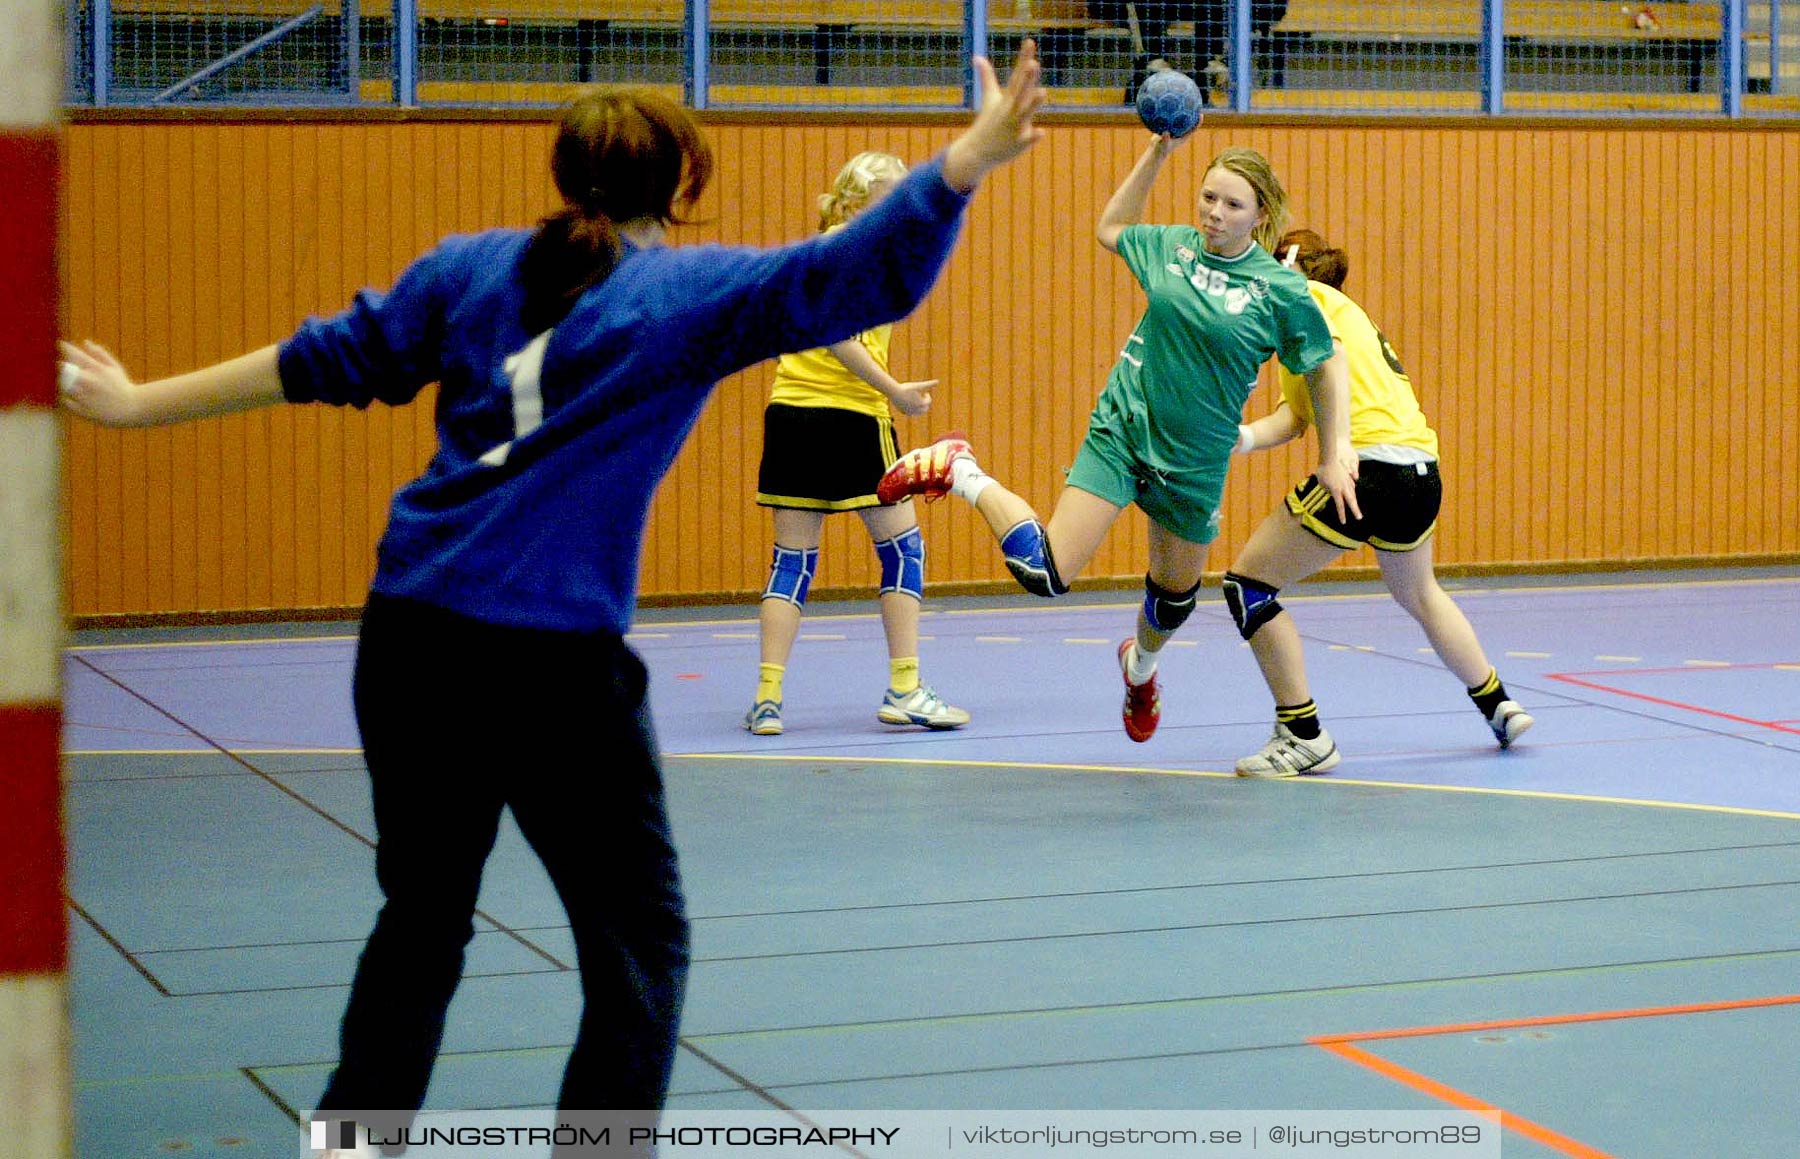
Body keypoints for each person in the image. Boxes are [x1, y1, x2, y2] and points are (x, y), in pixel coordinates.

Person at [57, 47, 1046, 1156]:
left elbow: (318, 359)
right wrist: (964, 161)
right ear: (683, 186)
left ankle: (347, 1145)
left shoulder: (469, 268)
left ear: (567, 174)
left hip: (411, 633)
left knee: (421, 923)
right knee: (637, 947)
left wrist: (139, 405)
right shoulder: (681, 294)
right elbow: (853, 278)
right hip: (549, 663)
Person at [879, 137, 1359, 747]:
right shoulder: (1172, 247)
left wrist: (1333, 449)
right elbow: (1111, 227)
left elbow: (1325, 362)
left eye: (1231, 205)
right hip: (1123, 431)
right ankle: (961, 468)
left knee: (1175, 600)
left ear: (1261, 214)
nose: (1213, 212)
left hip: (1193, 461)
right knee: (1044, 571)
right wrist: (1157, 155)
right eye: (1208, 197)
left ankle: (1140, 670)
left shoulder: (1280, 291)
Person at [1224, 228, 1535, 777]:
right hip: (1420, 474)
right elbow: (1295, 416)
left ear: (1287, 267)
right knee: (1419, 591)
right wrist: (1241, 438)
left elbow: (1333, 362)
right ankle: (1498, 704)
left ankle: (1303, 735)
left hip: (1364, 470)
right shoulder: (1342, 316)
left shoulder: (1308, 302)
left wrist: (1336, 450)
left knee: (1247, 586)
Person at [747, 150, 969, 737]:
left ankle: (767, 698)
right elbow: (834, 330)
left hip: (791, 412)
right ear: (853, 200)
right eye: (889, 196)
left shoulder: (819, 251)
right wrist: (894, 390)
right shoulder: (855, 251)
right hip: (850, 417)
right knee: (903, 551)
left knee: (791, 563)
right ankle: (905, 688)